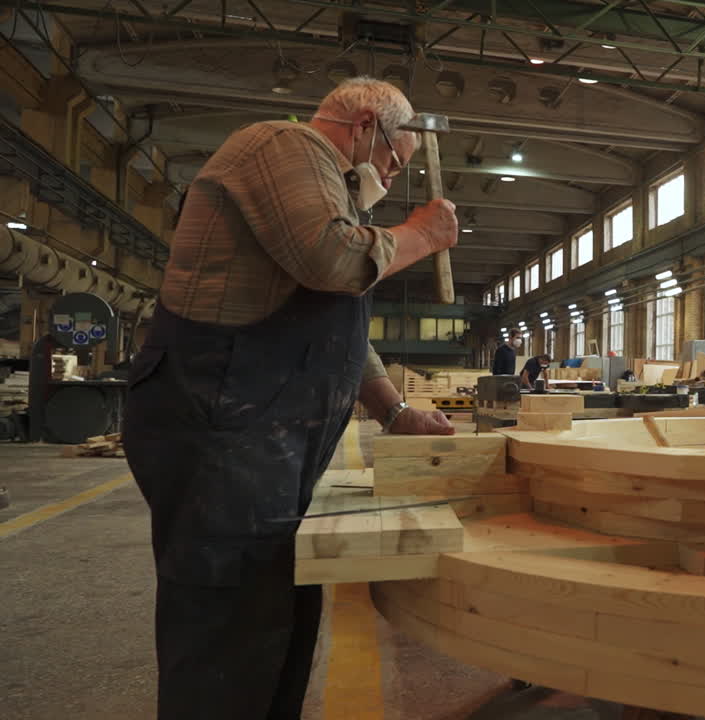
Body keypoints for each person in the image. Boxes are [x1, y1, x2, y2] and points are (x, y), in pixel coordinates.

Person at [121, 77, 458, 720]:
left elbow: (341, 333)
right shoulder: (284, 144)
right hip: (219, 422)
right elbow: (332, 261)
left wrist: (395, 411)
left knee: (279, 603)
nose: (390, 175)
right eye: (393, 159)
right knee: (228, 617)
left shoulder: (334, 201)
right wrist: (420, 235)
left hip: (264, 434)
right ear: (364, 124)